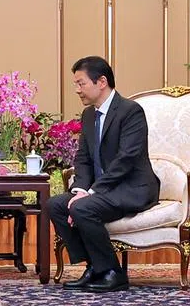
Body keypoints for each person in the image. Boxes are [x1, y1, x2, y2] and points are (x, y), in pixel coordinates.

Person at [47, 56, 159, 293]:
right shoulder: (89, 115)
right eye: (76, 84)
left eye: (81, 83)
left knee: (82, 207)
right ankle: (94, 267)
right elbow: (83, 159)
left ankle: (113, 273)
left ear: (101, 82)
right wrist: (79, 190)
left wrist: (90, 193)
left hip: (131, 188)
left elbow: (126, 159)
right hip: (102, 191)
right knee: (55, 205)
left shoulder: (130, 111)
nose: (77, 90)